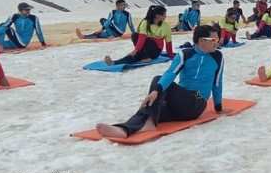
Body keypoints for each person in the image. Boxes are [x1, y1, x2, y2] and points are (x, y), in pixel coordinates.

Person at [95, 25, 224, 138]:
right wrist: (156, 92)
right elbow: (170, 74)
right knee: (149, 108)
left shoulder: (217, 56)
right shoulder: (185, 55)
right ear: (201, 41)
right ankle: (124, 129)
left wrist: (218, 107)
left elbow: (217, 83)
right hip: (180, 103)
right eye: (214, 39)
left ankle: (149, 122)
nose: (217, 42)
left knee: (158, 83)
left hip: (198, 99)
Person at [104, 5, 174, 65]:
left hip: (155, 51)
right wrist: (135, 51)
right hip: (145, 50)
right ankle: (114, 62)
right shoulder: (145, 23)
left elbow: (168, 43)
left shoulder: (166, 26)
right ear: (157, 15)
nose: (165, 16)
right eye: (164, 14)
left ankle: (145, 57)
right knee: (135, 37)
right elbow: (141, 38)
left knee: (147, 43)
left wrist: (170, 55)